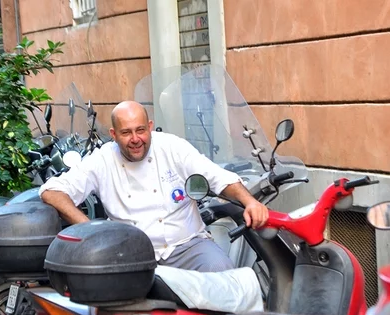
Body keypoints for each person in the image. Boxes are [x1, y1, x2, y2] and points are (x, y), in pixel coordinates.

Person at [39, 100, 269, 273]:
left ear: (150, 127)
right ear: (114, 134)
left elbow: (218, 177)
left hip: (188, 246)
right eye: (126, 132)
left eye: (140, 130)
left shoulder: (172, 147)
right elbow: (52, 191)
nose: (135, 139)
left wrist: (250, 202)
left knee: (226, 278)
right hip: (130, 255)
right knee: (114, 307)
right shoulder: (102, 159)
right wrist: (90, 229)